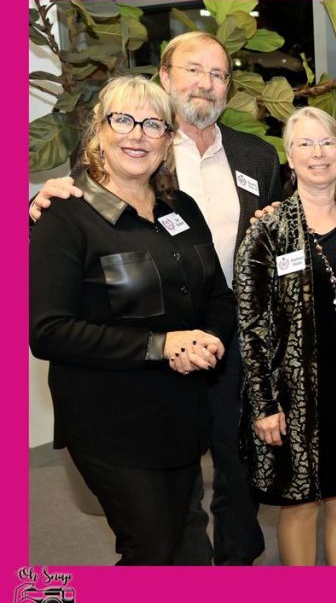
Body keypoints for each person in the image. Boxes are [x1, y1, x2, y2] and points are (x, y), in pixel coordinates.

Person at [31, 32, 282, 566]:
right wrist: (164, 344)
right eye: (123, 121)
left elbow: (215, 288)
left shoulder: (180, 207)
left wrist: (208, 339)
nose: (137, 136)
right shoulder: (67, 214)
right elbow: (47, 330)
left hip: (181, 409)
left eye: (152, 125)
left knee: (186, 538)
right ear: (98, 130)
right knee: (151, 547)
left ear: (167, 139)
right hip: (112, 419)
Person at [234, 107, 336, 565]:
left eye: (327, 142)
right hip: (296, 393)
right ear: (289, 156)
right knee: (301, 502)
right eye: (305, 144)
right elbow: (251, 324)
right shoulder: (267, 229)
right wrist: (265, 404)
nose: (318, 153)